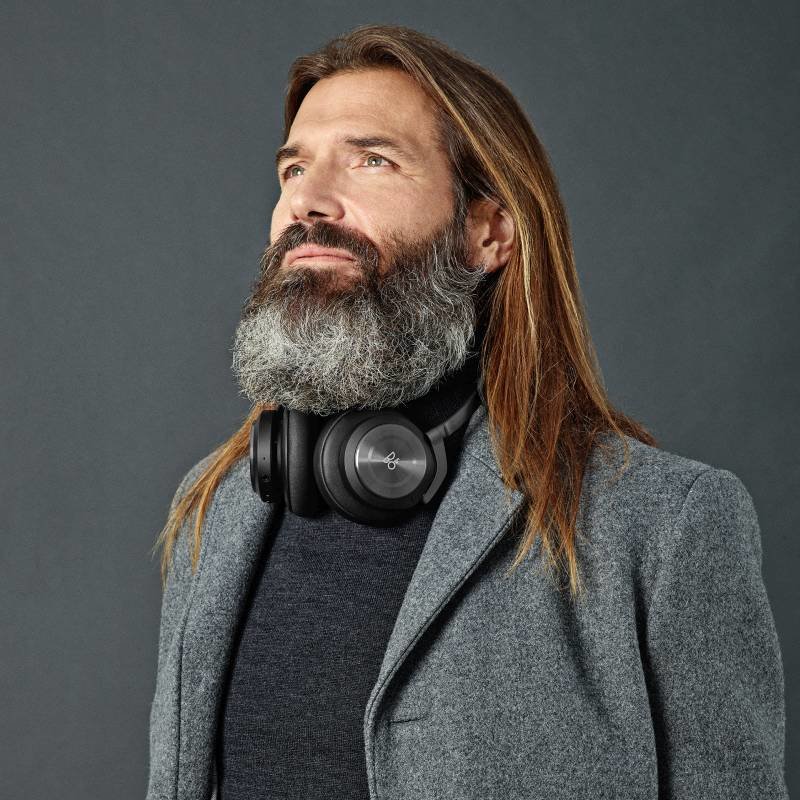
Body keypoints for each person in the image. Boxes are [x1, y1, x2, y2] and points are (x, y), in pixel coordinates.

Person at [147, 24, 788, 800]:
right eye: (293, 169)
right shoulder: (215, 508)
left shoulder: (665, 526)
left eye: (372, 160)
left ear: (488, 233)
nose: (306, 201)